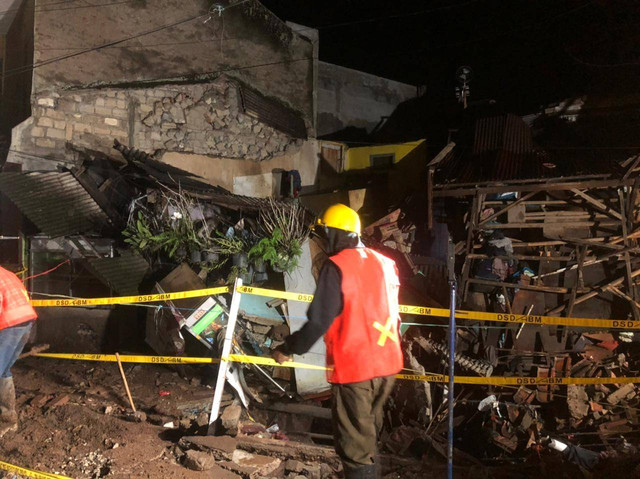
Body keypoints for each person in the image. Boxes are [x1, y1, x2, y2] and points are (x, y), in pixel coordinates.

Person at [273, 204, 404, 479]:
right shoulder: (385, 263)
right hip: (388, 363)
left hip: (356, 369)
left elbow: (319, 321)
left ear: (334, 233)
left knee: (354, 447)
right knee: (369, 437)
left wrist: (288, 349)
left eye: (326, 232)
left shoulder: (338, 266)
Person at [0, 265, 37, 438]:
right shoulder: (7, 274)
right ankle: (8, 420)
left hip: (9, 323)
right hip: (26, 320)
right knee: (4, 370)